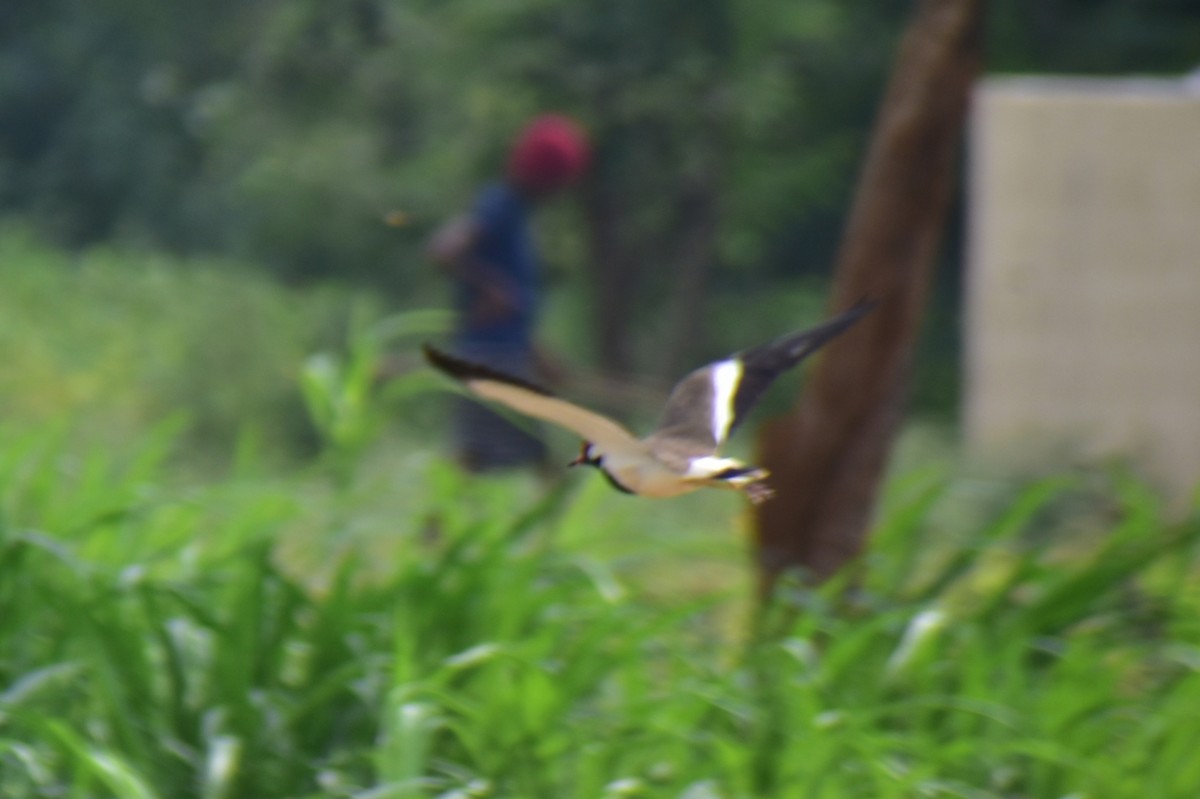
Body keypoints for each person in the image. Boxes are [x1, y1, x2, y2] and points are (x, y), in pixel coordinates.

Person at [426, 114, 591, 473]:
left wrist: (539, 355)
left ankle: (435, 529)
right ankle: (435, 530)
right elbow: (444, 250)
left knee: (477, 459)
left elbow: (514, 307)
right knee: (535, 463)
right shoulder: (499, 206)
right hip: (491, 359)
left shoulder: (515, 214)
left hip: (502, 356)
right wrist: (491, 288)